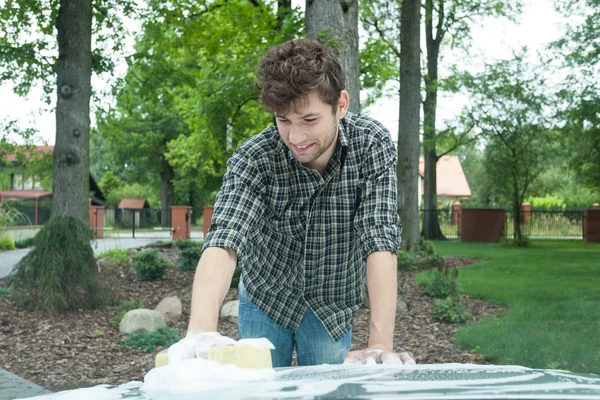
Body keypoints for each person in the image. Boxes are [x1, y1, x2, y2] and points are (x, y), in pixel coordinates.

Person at [169, 38, 415, 367]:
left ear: (340, 105)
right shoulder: (255, 158)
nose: (295, 138)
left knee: (328, 392)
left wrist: (380, 344)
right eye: (283, 120)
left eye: (309, 120)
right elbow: (225, 238)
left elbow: (380, 237)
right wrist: (199, 330)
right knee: (262, 391)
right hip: (265, 299)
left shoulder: (372, 144)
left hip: (332, 303)